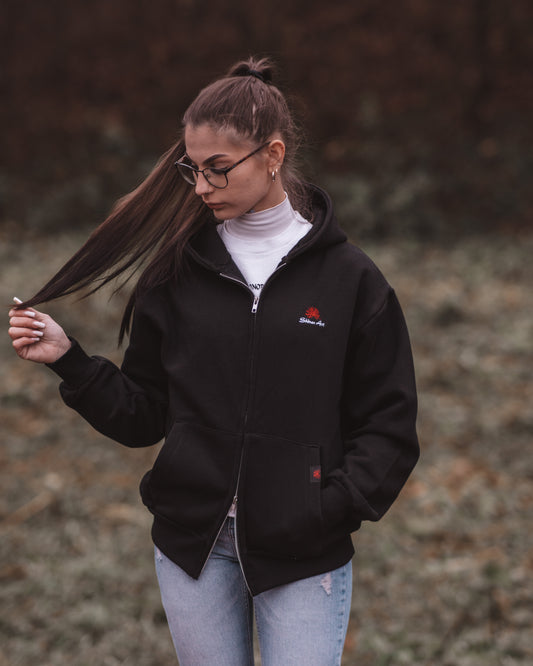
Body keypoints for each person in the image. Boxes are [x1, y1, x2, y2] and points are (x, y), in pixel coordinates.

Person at [8, 56, 419, 665]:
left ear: (272, 155)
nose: (201, 187)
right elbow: (144, 415)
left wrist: (324, 510)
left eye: (218, 169)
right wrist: (69, 360)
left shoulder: (350, 281)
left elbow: (389, 426)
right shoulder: (175, 274)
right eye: (192, 169)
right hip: (194, 547)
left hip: (304, 554)